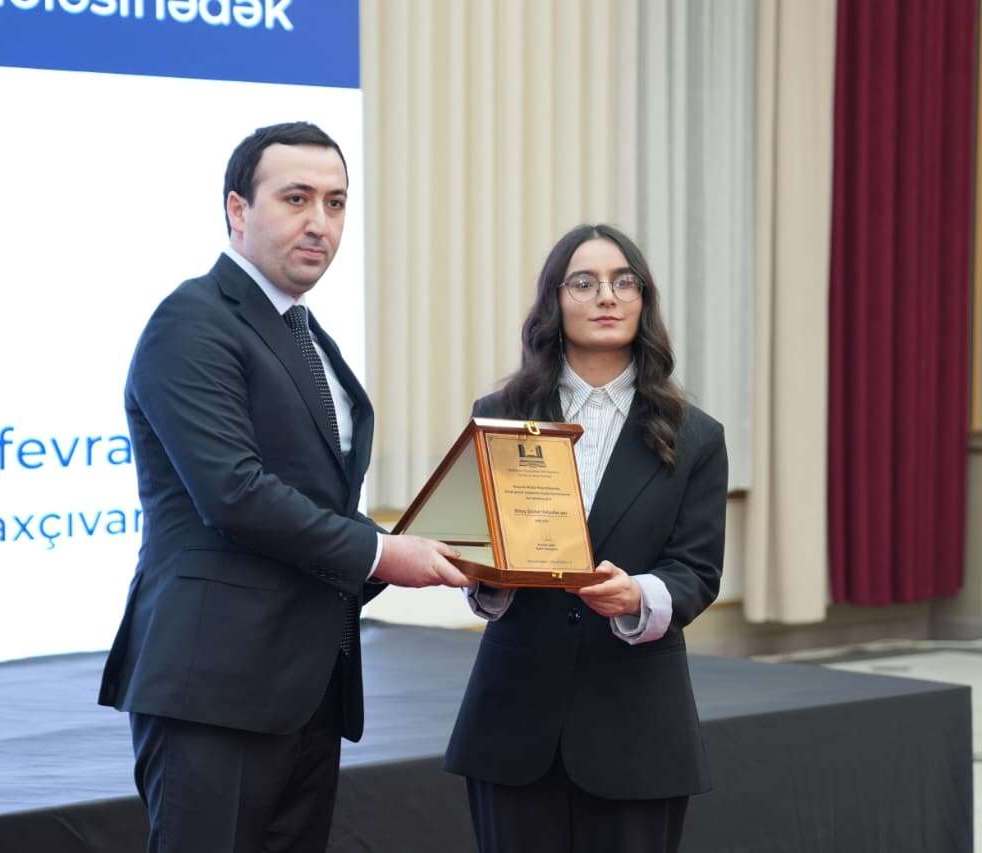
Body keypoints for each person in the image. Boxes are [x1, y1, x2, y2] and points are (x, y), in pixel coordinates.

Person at [98, 121, 468, 853]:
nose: (320, 222)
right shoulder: (192, 321)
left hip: (306, 687)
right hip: (214, 686)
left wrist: (449, 550)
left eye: (336, 202)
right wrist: (384, 553)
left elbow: (319, 501)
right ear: (237, 209)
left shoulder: (304, 331)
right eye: (296, 198)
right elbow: (234, 493)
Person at [444, 224, 728, 853]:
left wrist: (639, 596)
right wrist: (486, 577)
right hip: (513, 719)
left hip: (637, 727)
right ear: (554, 300)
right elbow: (482, 550)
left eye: (624, 282)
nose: (606, 296)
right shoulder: (501, 413)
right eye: (584, 282)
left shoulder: (696, 435)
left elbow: (697, 570)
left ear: (644, 300)